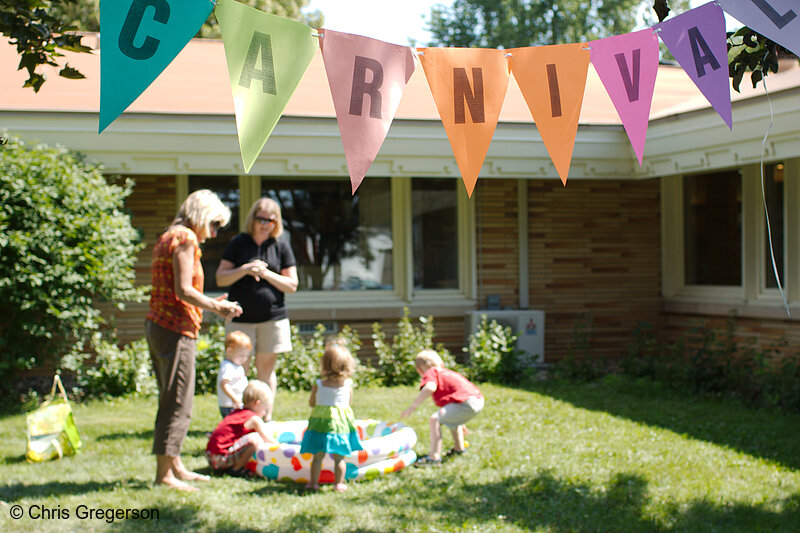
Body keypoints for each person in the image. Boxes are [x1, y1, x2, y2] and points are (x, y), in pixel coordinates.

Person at [145, 189, 243, 492]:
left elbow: (180, 289)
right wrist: (219, 307)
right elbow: (184, 290)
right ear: (201, 215)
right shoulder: (186, 239)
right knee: (178, 403)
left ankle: (175, 465)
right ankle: (164, 475)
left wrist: (210, 302)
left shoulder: (169, 235)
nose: (213, 234)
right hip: (175, 329)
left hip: (160, 326)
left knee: (171, 397)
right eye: (213, 224)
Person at [216, 197, 298, 420]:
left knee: (266, 370)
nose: (265, 224)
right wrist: (245, 269)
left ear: (276, 223)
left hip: (272, 318)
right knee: (238, 371)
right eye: (261, 219)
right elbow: (221, 278)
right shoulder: (238, 243)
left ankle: (265, 418)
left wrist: (266, 273)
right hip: (241, 319)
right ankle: (240, 417)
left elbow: (292, 285)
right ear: (252, 219)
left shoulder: (281, 246)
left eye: (270, 220)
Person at [400, 349, 484, 467]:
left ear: (420, 370)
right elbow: (455, 399)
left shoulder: (431, 372)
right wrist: (460, 420)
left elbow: (430, 388)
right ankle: (459, 449)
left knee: (435, 419)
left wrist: (412, 407)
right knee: (450, 421)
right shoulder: (445, 373)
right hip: (477, 400)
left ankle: (434, 458)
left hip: (466, 402)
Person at [299, 342, 363, 492]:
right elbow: (349, 403)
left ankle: (313, 483)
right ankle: (338, 484)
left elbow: (311, 403)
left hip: (320, 425)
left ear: (324, 365)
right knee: (339, 457)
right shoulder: (347, 385)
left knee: (317, 456)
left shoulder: (319, 384)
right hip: (339, 425)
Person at [206, 380, 276, 477]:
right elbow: (267, 440)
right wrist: (280, 446)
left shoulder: (237, 412)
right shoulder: (254, 419)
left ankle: (233, 466)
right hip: (220, 459)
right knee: (255, 439)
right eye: (265, 410)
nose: (264, 414)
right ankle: (236, 469)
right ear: (257, 404)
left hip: (211, 456)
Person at [217, 331, 252, 418]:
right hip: (229, 404)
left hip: (237, 402)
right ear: (229, 351)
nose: (244, 359)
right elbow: (224, 384)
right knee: (232, 424)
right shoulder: (228, 367)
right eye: (241, 355)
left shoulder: (237, 366)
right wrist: (234, 398)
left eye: (246, 356)